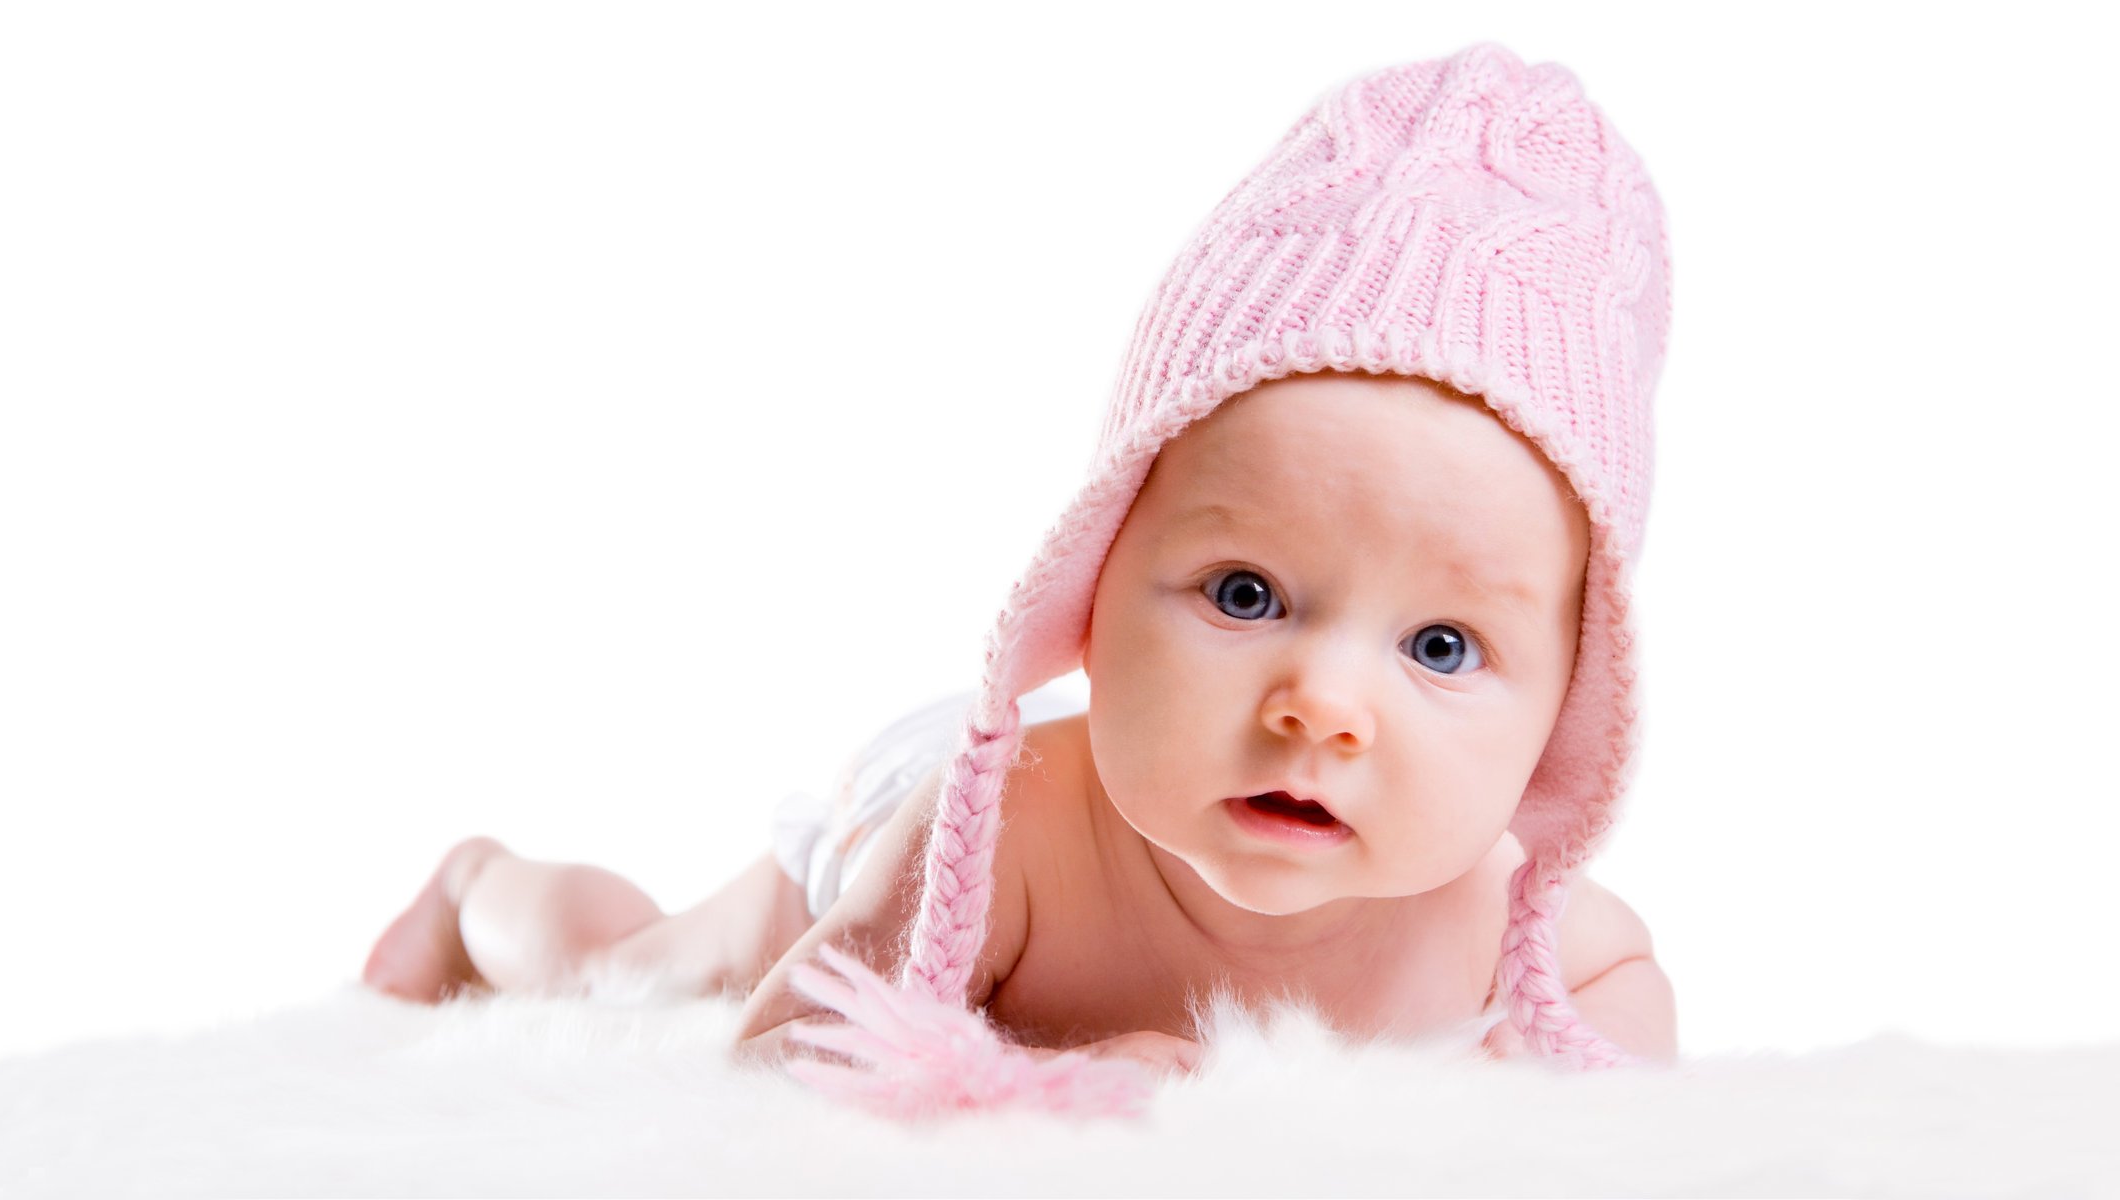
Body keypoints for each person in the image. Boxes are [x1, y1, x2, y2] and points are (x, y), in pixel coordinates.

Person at [363, 41, 1679, 1112]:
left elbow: (1629, 1045)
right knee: (641, 968)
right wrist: (1039, 1090)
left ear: (1567, 705)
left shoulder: (1532, 934)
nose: (1320, 705)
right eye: (1243, 594)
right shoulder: (1000, 840)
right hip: (906, 836)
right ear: (1092, 587)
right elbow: (771, 1076)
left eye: (1440, 646)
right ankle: (479, 891)